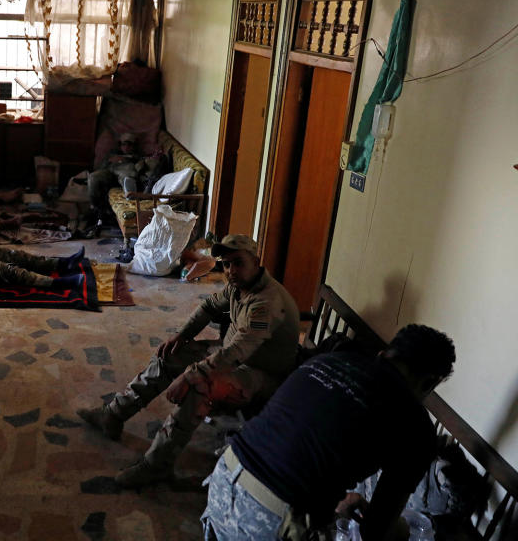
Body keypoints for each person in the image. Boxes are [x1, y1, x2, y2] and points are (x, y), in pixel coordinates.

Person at [77, 234, 300, 488]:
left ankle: (156, 466)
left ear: (256, 262)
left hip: (261, 375)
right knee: (171, 354)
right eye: (226, 264)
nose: (231, 271)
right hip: (237, 358)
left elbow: (237, 351)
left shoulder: (266, 302)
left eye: (238, 263)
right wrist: (181, 336)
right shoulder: (240, 286)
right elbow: (208, 307)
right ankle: (114, 415)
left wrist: (192, 374)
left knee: (199, 386)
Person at [200, 324, 456, 540]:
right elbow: (376, 529)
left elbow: (303, 445)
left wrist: (331, 500)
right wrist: (402, 529)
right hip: (271, 518)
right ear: (430, 382)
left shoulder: (330, 359)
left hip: (223, 479)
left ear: (385, 353)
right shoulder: (415, 424)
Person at [82, 132, 142, 234]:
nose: (126, 147)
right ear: (120, 145)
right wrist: (111, 161)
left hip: (124, 172)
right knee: (93, 177)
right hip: (110, 172)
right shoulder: (113, 153)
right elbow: (102, 167)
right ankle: (95, 208)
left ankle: (130, 193)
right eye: (124, 144)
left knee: (127, 176)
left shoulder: (137, 155)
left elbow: (140, 167)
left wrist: (127, 160)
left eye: (129, 144)